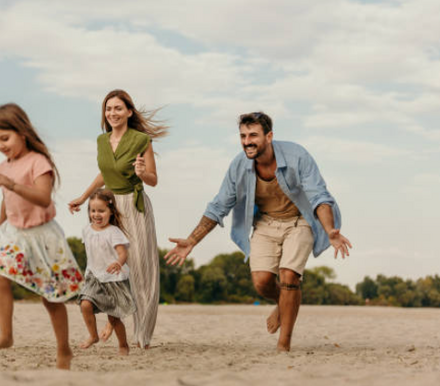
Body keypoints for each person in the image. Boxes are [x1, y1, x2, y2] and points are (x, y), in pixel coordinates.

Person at [165, 112, 352, 352]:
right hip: (265, 223)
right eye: (243, 136)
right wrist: (192, 240)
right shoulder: (239, 166)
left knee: (288, 277)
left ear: (269, 136)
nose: (247, 141)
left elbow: (318, 195)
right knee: (262, 282)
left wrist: (329, 230)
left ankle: (283, 344)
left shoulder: (297, 156)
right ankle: (282, 302)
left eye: (253, 135)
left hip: (300, 221)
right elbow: (219, 205)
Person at [0, 103, 84, 370]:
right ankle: (6, 335)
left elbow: (42, 198)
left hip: (43, 235)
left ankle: (64, 350)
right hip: (15, 234)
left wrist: (12, 184)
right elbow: (8, 200)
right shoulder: (3, 166)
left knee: (50, 298)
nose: (0, 145)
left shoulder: (39, 162)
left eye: (5, 138)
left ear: (22, 132)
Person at [68, 89, 167, 349]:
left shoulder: (141, 140)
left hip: (134, 207)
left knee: (140, 269)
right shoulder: (102, 141)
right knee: (111, 266)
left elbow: (153, 180)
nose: (112, 113)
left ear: (129, 112)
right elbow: (104, 173)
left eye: (118, 108)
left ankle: (142, 337)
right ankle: (114, 319)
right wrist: (83, 197)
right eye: (108, 109)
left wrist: (142, 173)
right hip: (110, 207)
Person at [77, 189, 137, 355]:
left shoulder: (114, 232)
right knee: (85, 304)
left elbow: (123, 253)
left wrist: (118, 263)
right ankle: (93, 335)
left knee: (113, 317)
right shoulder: (87, 230)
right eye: (93, 210)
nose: (96, 214)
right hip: (94, 277)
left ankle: (123, 344)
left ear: (111, 212)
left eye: (101, 211)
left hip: (113, 279)